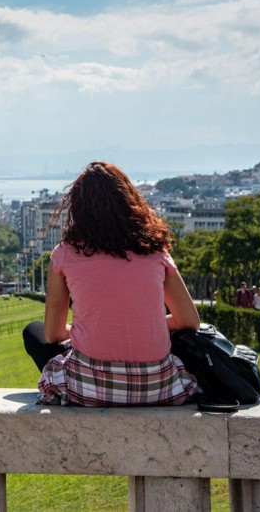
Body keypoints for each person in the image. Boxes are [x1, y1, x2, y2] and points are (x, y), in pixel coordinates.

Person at [23, 161, 201, 407]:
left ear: (78, 207)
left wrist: (90, 329)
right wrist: (146, 326)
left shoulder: (65, 253)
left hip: (88, 390)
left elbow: (52, 334)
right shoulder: (155, 251)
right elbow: (190, 321)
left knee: (33, 332)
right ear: (129, 202)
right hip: (158, 388)